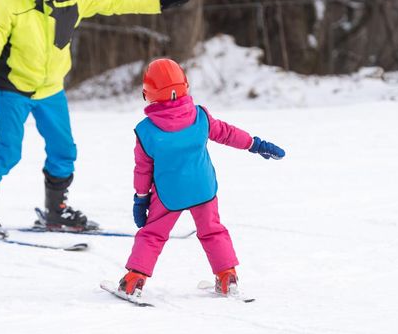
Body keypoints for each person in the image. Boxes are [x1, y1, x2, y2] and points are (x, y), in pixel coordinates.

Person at [0, 0, 195, 238]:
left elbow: (116, 2)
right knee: (8, 150)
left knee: (64, 150)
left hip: (50, 90)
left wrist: (159, 3)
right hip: (14, 88)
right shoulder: (7, 3)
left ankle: (56, 210)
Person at [115, 59, 286, 298]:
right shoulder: (200, 116)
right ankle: (227, 277)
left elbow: (142, 170)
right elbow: (226, 133)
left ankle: (134, 280)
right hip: (203, 189)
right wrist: (255, 144)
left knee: (152, 234)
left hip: (168, 195)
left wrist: (141, 198)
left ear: (148, 93)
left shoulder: (146, 131)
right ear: (185, 85)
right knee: (213, 231)